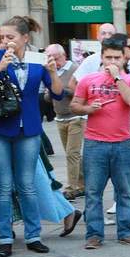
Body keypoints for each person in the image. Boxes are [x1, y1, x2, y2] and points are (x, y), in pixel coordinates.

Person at [0, 16, 67, 256]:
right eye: (2, 37)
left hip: (27, 129)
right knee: (3, 185)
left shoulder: (38, 59)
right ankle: (5, 237)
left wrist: (52, 71)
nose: (5, 42)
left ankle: (33, 235)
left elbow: (58, 94)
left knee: (27, 185)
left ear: (25, 38)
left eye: (11, 37)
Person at [71, 35, 130, 249]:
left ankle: (125, 231)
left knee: (124, 191)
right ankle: (93, 235)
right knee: (93, 192)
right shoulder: (88, 80)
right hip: (95, 143)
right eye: (108, 58)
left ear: (124, 59)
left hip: (123, 143)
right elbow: (75, 105)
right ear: (101, 58)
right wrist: (88, 109)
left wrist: (117, 78)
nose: (112, 62)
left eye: (116, 58)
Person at [45, 42, 84, 200]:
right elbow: (48, 97)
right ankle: (82, 184)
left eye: (56, 57)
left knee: (71, 154)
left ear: (64, 55)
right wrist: (51, 92)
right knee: (73, 155)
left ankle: (71, 188)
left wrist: (61, 91)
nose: (54, 61)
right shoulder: (49, 71)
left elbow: (80, 91)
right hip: (60, 117)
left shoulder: (74, 69)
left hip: (75, 116)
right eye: (50, 58)